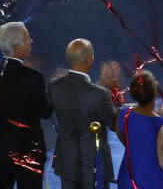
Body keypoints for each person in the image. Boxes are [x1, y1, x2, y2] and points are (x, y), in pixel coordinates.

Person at [0, 22, 52, 189]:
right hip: (28, 150)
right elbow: (46, 112)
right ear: (17, 46)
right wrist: (55, 90)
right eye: (28, 39)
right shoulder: (33, 77)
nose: (32, 41)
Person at [49, 39, 120, 189]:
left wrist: (102, 85)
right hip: (94, 165)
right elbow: (115, 124)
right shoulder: (100, 94)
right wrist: (113, 88)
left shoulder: (54, 86)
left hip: (67, 164)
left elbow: (82, 99)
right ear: (90, 58)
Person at [116, 70, 163, 189]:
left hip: (128, 178)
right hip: (155, 180)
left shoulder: (122, 115)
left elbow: (127, 141)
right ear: (155, 91)